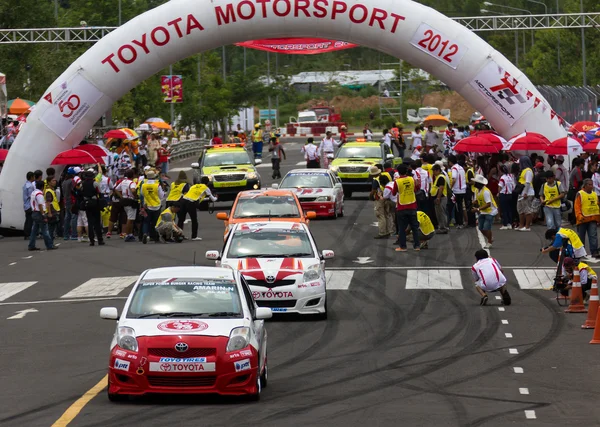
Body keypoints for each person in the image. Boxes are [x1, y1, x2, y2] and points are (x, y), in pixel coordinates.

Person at [391, 164, 420, 252]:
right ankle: (417, 246)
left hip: (402, 206)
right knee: (415, 227)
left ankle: (403, 247)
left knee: (402, 228)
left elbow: (393, 193)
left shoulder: (397, 181)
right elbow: (415, 190)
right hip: (412, 205)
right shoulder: (411, 179)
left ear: (398, 172)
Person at [179, 176, 217, 241]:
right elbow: (213, 199)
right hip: (191, 203)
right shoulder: (205, 188)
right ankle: (194, 236)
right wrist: (216, 197)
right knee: (194, 220)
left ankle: (179, 235)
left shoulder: (194, 186)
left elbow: (196, 195)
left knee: (181, 219)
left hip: (183, 200)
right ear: (207, 183)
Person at [575, 178, 600, 259]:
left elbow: (597, 206)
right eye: (589, 184)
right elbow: (577, 207)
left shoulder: (594, 194)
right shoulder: (580, 194)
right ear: (585, 186)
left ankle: (594, 251)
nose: (591, 186)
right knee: (581, 237)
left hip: (592, 219)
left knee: (593, 236)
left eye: (592, 184)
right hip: (582, 219)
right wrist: (579, 216)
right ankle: (581, 253)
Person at [28, 180, 56, 251]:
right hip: (39, 213)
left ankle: (31, 245)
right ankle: (49, 245)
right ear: (42, 187)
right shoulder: (39, 194)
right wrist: (43, 215)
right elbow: (40, 205)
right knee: (45, 230)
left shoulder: (33, 193)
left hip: (34, 212)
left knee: (34, 231)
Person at [80, 170, 105, 246]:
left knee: (90, 222)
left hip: (87, 203)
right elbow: (100, 192)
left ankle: (91, 240)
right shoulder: (95, 183)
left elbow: (81, 192)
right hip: (95, 203)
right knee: (97, 222)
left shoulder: (82, 184)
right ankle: (100, 239)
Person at [472, 174, 497, 249]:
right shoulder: (476, 190)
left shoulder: (486, 191)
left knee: (486, 227)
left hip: (490, 211)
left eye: (475, 182)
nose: (474, 183)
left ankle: (489, 242)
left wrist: (478, 209)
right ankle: (490, 238)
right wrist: (474, 203)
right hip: (483, 211)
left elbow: (488, 204)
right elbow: (477, 200)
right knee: (480, 227)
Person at [140, 170, 165, 244]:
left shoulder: (144, 185)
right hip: (156, 206)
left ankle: (145, 233)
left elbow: (142, 194)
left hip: (147, 206)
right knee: (156, 222)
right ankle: (155, 237)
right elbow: (161, 195)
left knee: (146, 221)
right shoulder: (157, 185)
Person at [115, 169, 138, 242]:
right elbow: (133, 190)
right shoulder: (132, 183)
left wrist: (121, 196)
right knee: (130, 219)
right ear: (133, 175)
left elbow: (116, 189)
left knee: (129, 217)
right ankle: (128, 234)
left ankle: (130, 234)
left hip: (124, 200)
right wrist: (135, 196)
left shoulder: (123, 182)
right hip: (130, 200)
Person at [370, 166, 390, 239]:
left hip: (380, 198)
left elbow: (374, 190)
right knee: (386, 214)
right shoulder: (386, 176)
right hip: (387, 197)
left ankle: (382, 232)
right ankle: (387, 231)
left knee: (380, 215)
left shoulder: (376, 180)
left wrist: (371, 196)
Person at [516, 156, 535, 231]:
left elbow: (527, 182)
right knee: (520, 209)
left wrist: (526, 193)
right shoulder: (523, 171)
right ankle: (521, 225)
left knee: (527, 209)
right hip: (521, 192)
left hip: (527, 192)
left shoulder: (528, 171)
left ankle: (527, 226)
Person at [448, 155, 466, 228]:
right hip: (462, 189)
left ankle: (459, 223)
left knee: (456, 207)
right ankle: (460, 222)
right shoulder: (460, 167)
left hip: (457, 190)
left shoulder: (454, 168)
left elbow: (454, 179)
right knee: (460, 206)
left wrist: (450, 187)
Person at [431, 164, 449, 234]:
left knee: (441, 213)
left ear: (438, 170)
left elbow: (441, 188)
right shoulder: (438, 177)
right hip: (439, 197)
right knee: (439, 213)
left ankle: (443, 228)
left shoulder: (441, 177)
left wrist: (438, 198)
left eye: (434, 171)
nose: (433, 172)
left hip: (441, 197)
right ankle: (442, 227)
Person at [497, 165, 515, 230]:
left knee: (504, 210)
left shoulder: (502, 178)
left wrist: (498, 193)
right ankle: (510, 223)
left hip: (503, 194)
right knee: (509, 209)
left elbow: (500, 186)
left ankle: (505, 224)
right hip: (510, 194)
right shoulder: (510, 177)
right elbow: (513, 186)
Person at [23, 171, 35, 240]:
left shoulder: (25, 185)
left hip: (25, 205)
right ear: (31, 177)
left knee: (27, 219)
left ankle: (26, 233)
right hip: (29, 205)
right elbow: (31, 196)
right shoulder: (30, 186)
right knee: (30, 220)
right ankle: (28, 234)